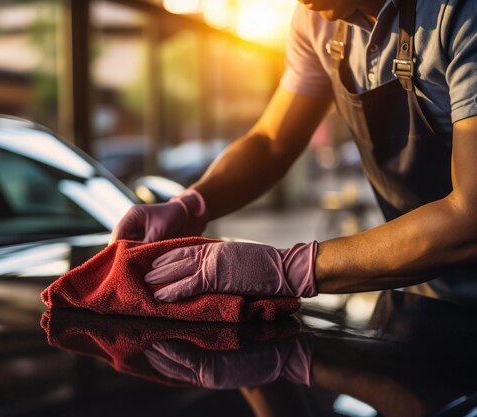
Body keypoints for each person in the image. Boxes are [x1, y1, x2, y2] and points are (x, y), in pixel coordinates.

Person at [111, 0, 477, 303]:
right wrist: (192, 204)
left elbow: (470, 215)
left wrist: (287, 268)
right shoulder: (315, 21)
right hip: (420, 289)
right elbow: (272, 142)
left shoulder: (459, 13)